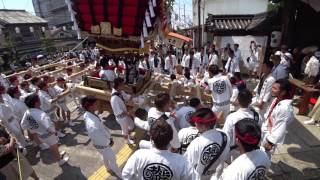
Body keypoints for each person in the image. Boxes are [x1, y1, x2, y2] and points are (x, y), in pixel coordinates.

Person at [122, 119, 197, 180]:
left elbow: (126, 175)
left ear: (151, 137)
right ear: (170, 139)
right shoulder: (182, 162)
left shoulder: (138, 155)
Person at [21, 94, 69, 166]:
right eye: (38, 99)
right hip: (48, 134)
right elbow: (49, 127)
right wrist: (54, 131)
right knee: (53, 146)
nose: (40, 100)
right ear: (36, 102)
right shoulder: (41, 114)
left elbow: (23, 125)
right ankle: (60, 161)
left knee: (52, 146)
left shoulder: (27, 112)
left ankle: (58, 155)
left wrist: (33, 129)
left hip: (40, 135)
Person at [82, 96, 122, 178]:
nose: (98, 105)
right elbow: (98, 136)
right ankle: (120, 174)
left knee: (104, 156)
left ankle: (108, 168)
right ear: (90, 106)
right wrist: (109, 142)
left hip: (99, 145)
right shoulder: (92, 125)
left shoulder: (87, 114)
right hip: (104, 144)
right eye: (96, 104)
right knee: (113, 160)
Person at [184, 108, 229, 180]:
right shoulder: (224, 136)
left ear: (203, 126)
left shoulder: (196, 143)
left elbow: (187, 165)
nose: (195, 124)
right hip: (213, 172)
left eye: (196, 122)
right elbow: (224, 155)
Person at [223, 89, 261, 161]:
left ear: (238, 100)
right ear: (250, 101)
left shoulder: (232, 117)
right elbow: (259, 131)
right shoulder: (257, 116)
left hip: (237, 149)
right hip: (252, 149)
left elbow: (226, 134)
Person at [261, 79, 294, 157]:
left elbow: (281, 126)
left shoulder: (285, 108)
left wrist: (270, 142)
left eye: (275, 88)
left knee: (266, 155)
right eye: (272, 87)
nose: (272, 90)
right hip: (266, 128)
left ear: (283, 92)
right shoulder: (276, 99)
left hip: (271, 135)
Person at [110, 78, 135, 144]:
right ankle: (127, 141)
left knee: (131, 125)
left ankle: (129, 136)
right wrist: (128, 113)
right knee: (125, 130)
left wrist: (135, 97)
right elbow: (117, 111)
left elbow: (126, 97)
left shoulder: (120, 91)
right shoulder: (114, 98)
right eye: (123, 84)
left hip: (125, 114)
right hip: (121, 117)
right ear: (119, 86)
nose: (124, 86)